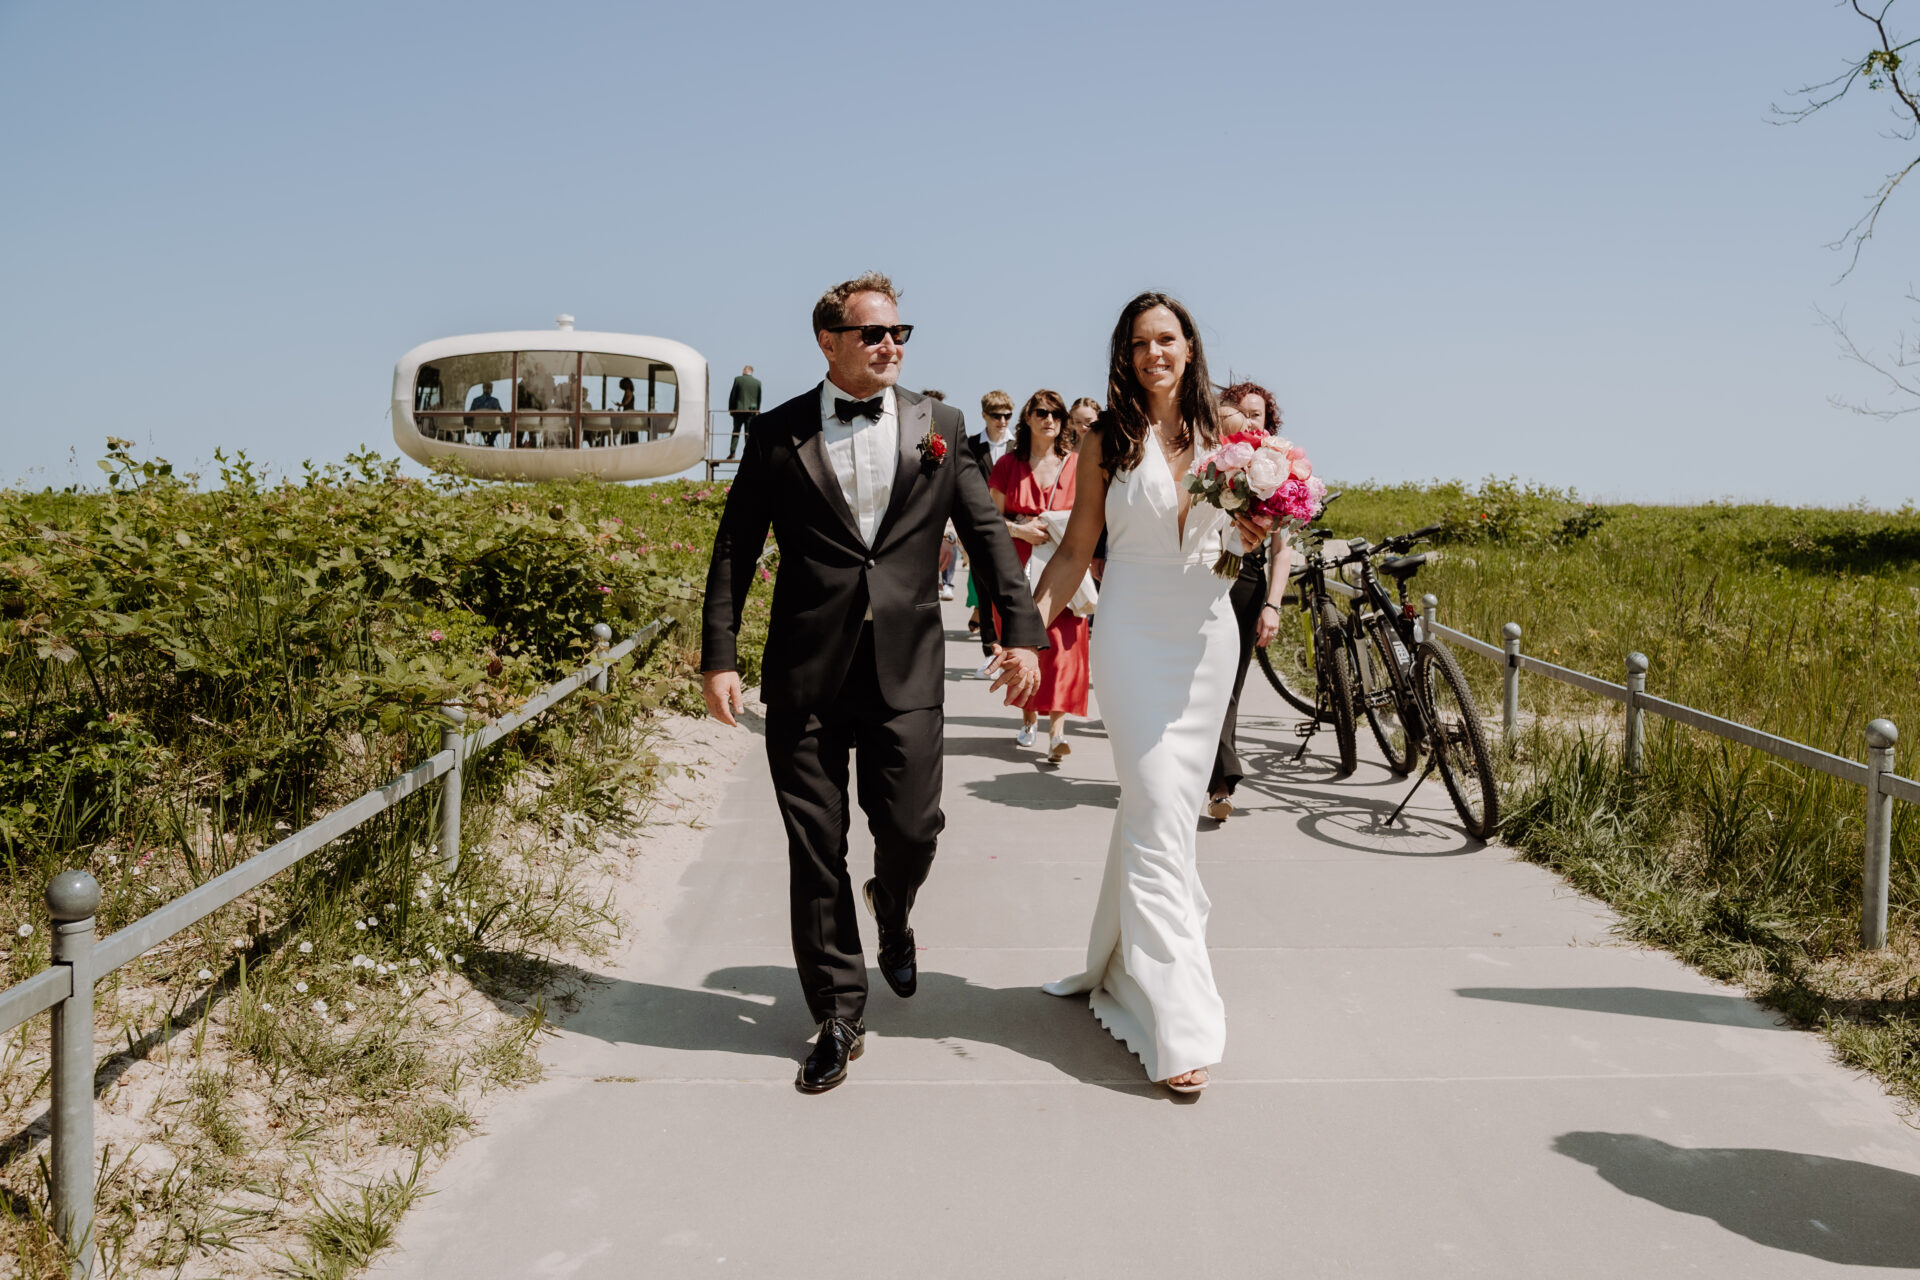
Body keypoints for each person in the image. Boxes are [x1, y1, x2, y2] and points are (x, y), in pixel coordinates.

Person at [700, 272, 1045, 1095]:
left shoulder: (942, 425)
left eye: (900, 334)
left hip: (906, 665)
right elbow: (735, 546)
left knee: (913, 826)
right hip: (806, 669)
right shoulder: (780, 432)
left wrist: (1020, 631)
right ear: (829, 342)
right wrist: (720, 654)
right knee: (815, 848)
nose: (892, 347)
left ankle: (892, 910)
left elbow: (986, 533)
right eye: (875, 335)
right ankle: (836, 1012)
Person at [1030, 292, 1270, 1094]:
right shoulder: (1105, 441)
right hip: (1132, 639)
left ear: (1191, 347)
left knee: (1157, 812)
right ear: (1125, 354)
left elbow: (1247, 539)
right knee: (1162, 804)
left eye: (1166, 339)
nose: (1153, 353)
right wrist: (1029, 633)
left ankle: (1117, 962)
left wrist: (1257, 530)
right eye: (1139, 343)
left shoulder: (1231, 439)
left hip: (1206, 641)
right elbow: (1072, 553)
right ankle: (1183, 1022)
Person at [1207, 381, 1295, 821]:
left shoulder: (1280, 469)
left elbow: (1282, 551)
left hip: (1246, 582)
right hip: (1199, 576)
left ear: (1268, 421)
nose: (1248, 419)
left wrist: (1273, 605)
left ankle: (1221, 783)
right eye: (1239, 411)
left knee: (1229, 683)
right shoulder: (1207, 461)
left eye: (1256, 413)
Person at [990, 389, 1091, 762]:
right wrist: (1019, 531)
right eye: (1041, 412)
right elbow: (987, 521)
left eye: (1057, 414)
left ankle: (1057, 732)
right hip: (1016, 567)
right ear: (1028, 418)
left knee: (1065, 649)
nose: (1050, 419)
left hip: (1065, 563)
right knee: (1024, 643)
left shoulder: (1078, 464)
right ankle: (1029, 718)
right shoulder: (1007, 466)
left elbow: (1093, 518)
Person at [966, 390, 1019, 648]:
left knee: (1012, 588)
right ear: (984, 415)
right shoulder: (970, 445)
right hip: (979, 527)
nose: (1003, 420)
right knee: (983, 589)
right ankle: (989, 648)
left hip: (1014, 526)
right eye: (997, 415)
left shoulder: (1019, 447)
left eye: (1008, 415)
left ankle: (1011, 643)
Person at [727, 364, 762, 459]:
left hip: (738, 410)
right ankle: (749, 453)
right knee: (748, 433)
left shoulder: (738, 380)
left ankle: (732, 452)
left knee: (736, 432)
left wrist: (731, 408)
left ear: (745, 370)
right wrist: (757, 410)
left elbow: (733, 395)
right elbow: (759, 399)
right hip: (751, 411)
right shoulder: (757, 383)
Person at [466, 381, 503, 446]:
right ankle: (490, 442)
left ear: (483, 389)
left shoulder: (476, 400)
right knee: (498, 427)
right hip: (493, 425)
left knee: (482, 424)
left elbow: (470, 413)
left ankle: (488, 442)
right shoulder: (495, 401)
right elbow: (502, 414)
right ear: (491, 390)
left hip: (479, 425)